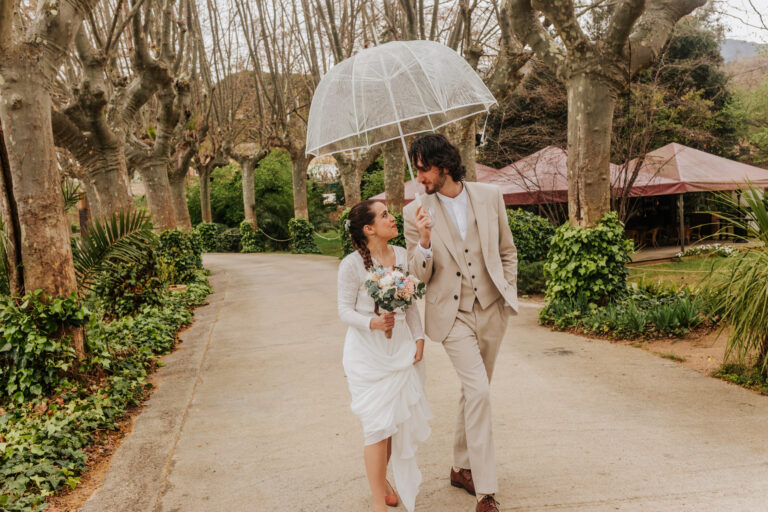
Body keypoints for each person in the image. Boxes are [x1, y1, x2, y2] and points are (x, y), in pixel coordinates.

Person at [403, 134, 518, 512]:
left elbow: (506, 250)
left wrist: (506, 294)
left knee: (474, 390)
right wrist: (424, 239)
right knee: (480, 392)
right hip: (450, 316)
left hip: (490, 308)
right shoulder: (414, 211)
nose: (419, 177)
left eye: (423, 169)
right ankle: (486, 492)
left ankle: (459, 466)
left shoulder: (489, 196)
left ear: (444, 165)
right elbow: (417, 276)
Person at [337, 199, 432, 512]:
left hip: (399, 349)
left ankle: (383, 481)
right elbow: (344, 310)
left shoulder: (401, 256)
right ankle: (379, 503)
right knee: (377, 426)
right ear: (369, 228)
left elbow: (410, 303)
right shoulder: (351, 265)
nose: (392, 218)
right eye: (385, 215)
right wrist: (372, 322)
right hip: (367, 354)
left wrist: (418, 337)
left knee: (390, 424)